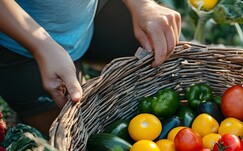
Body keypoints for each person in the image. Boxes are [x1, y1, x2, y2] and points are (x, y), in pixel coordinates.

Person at [0, 0, 181, 137]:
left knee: (158, 45)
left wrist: (142, 4)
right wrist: (41, 47)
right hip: (20, 47)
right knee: (72, 135)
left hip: (91, 15)